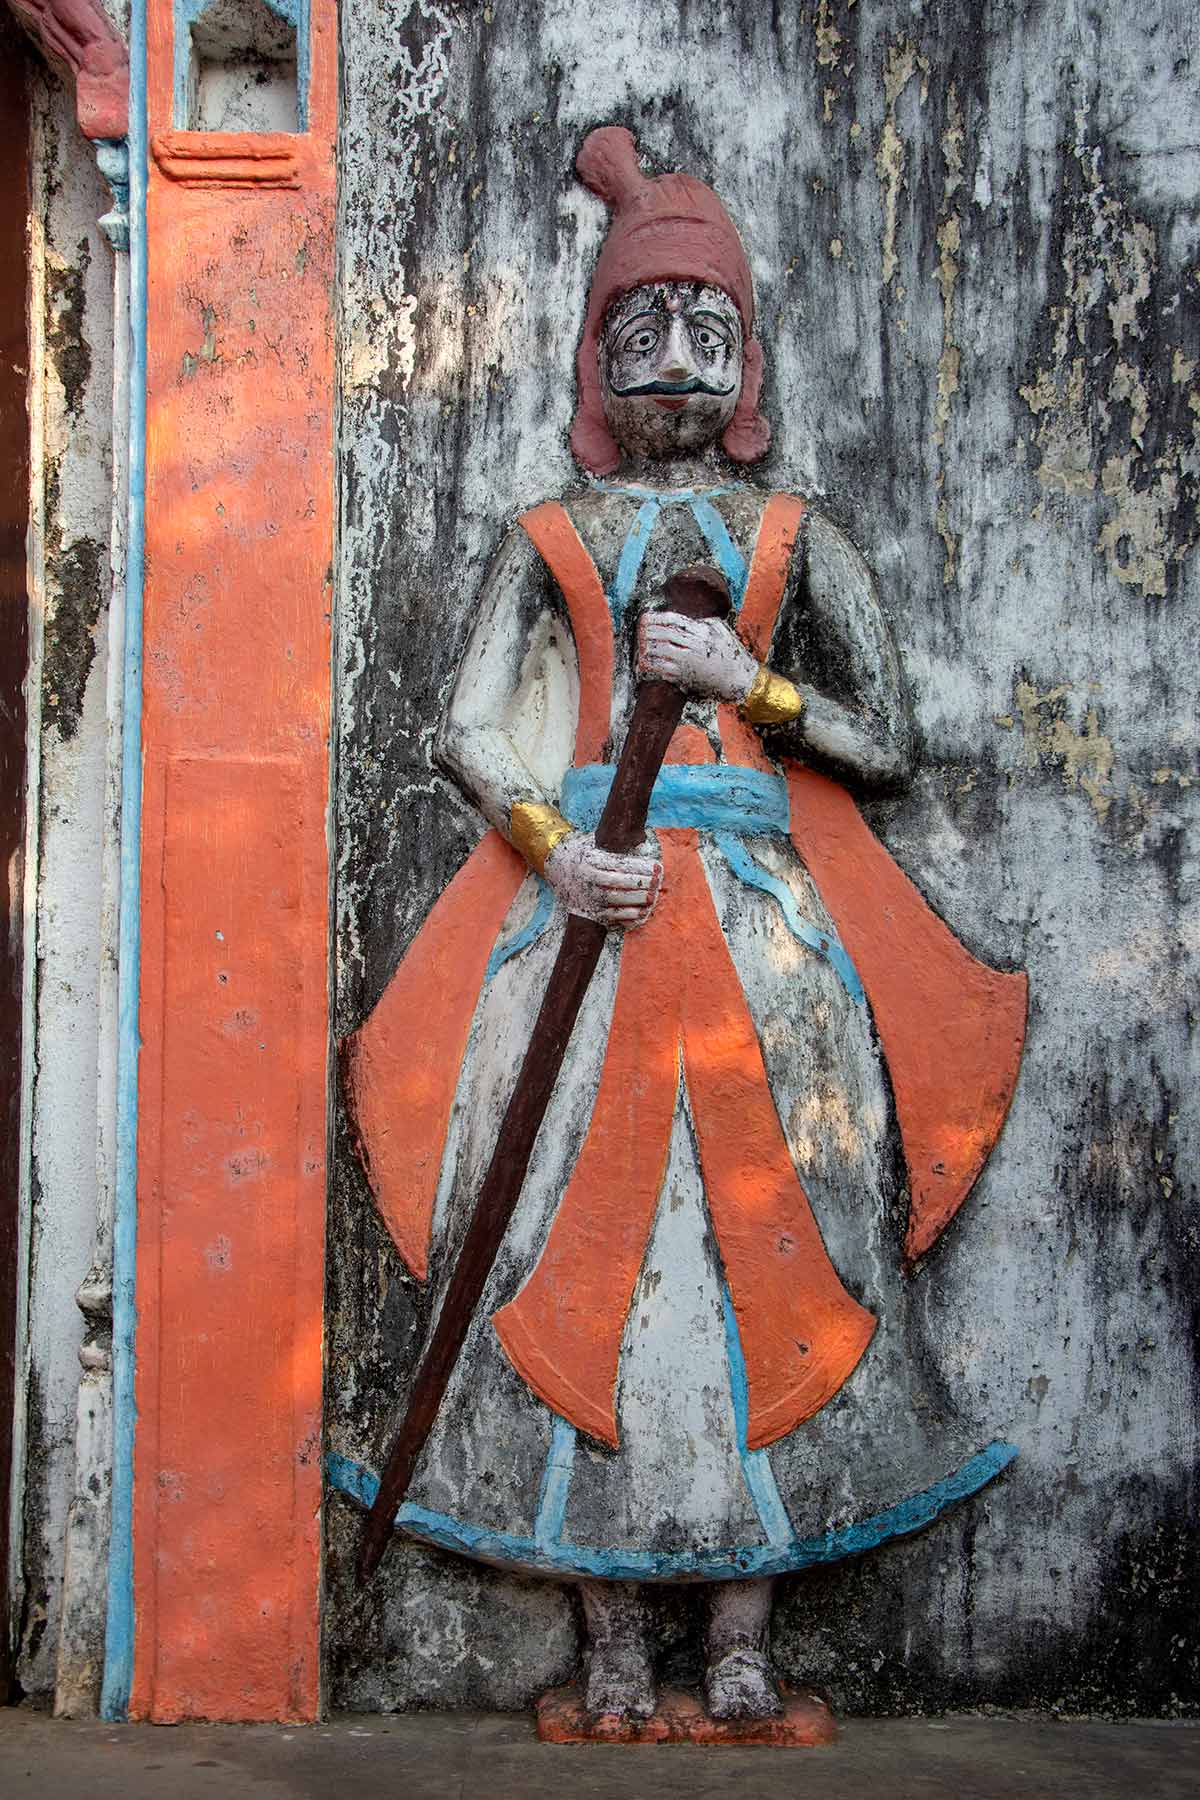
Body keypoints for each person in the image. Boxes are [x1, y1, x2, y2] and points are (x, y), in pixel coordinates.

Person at [342, 126, 1025, 1724]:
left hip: (766, 949)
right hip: (592, 924)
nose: (674, 355)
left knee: (777, 1251)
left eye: (706, 326)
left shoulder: (793, 539)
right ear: (598, 354)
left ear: (749, 358)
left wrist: (749, 684)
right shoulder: (552, 535)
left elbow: (885, 743)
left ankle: (741, 1632)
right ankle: (612, 1639)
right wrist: (553, 850)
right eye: (640, 323)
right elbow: (467, 729)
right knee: (564, 1247)